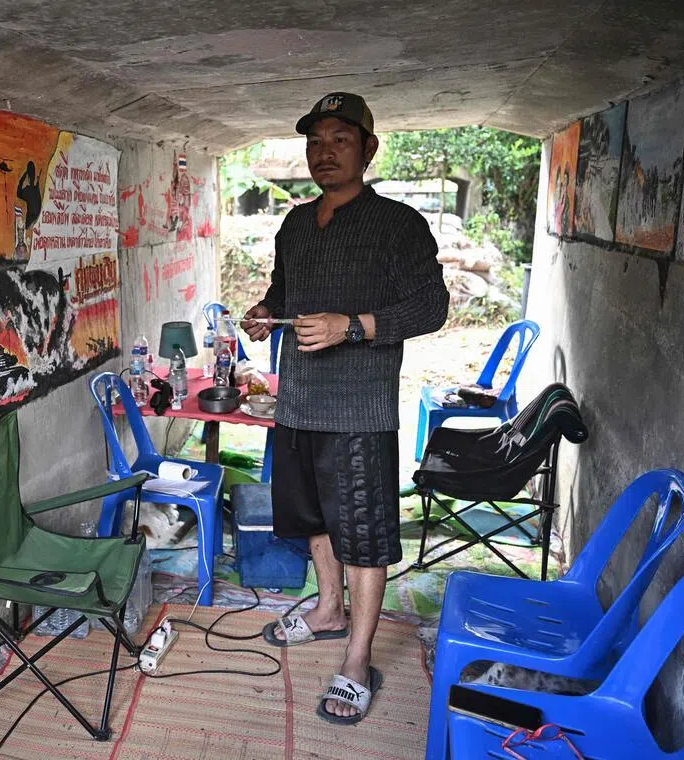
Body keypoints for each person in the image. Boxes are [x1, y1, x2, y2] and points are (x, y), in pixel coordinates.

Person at [241, 92, 449, 725]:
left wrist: (351, 326)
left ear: (368, 148)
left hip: (359, 408)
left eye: (339, 139)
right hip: (298, 399)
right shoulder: (295, 225)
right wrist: (261, 313)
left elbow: (430, 308)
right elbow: (285, 291)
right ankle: (328, 612)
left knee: (365, 534)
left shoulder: (398, 224)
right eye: (314, 141)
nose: (323, 152)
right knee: (316, 519)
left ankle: (358, 658)